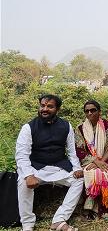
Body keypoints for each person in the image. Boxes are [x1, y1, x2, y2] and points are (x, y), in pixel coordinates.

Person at [15, 94, 83, 231]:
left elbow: (71, 151)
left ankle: (59, 220)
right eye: (42, 105)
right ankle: (27, 224)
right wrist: (28, 175)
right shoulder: (28, 127)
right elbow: (22, 155)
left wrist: (76, 168)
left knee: (79, 180)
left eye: (49, 106)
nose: (44, 109)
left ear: (57, 109)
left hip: (59, 166)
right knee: (23, 182)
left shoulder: (66, 126)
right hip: (37, 168)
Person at [75, 100, 108, 220]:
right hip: (88, 160)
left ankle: (99, 208)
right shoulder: (80, 128)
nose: (90, 113)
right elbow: (80, 151)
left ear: (99, 111)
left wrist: (101, 162)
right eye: (87, 111)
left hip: (106, 158)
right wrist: (95, 161)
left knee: (103, 172)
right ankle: (90, 207)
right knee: (91, 171)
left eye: (93, 110)